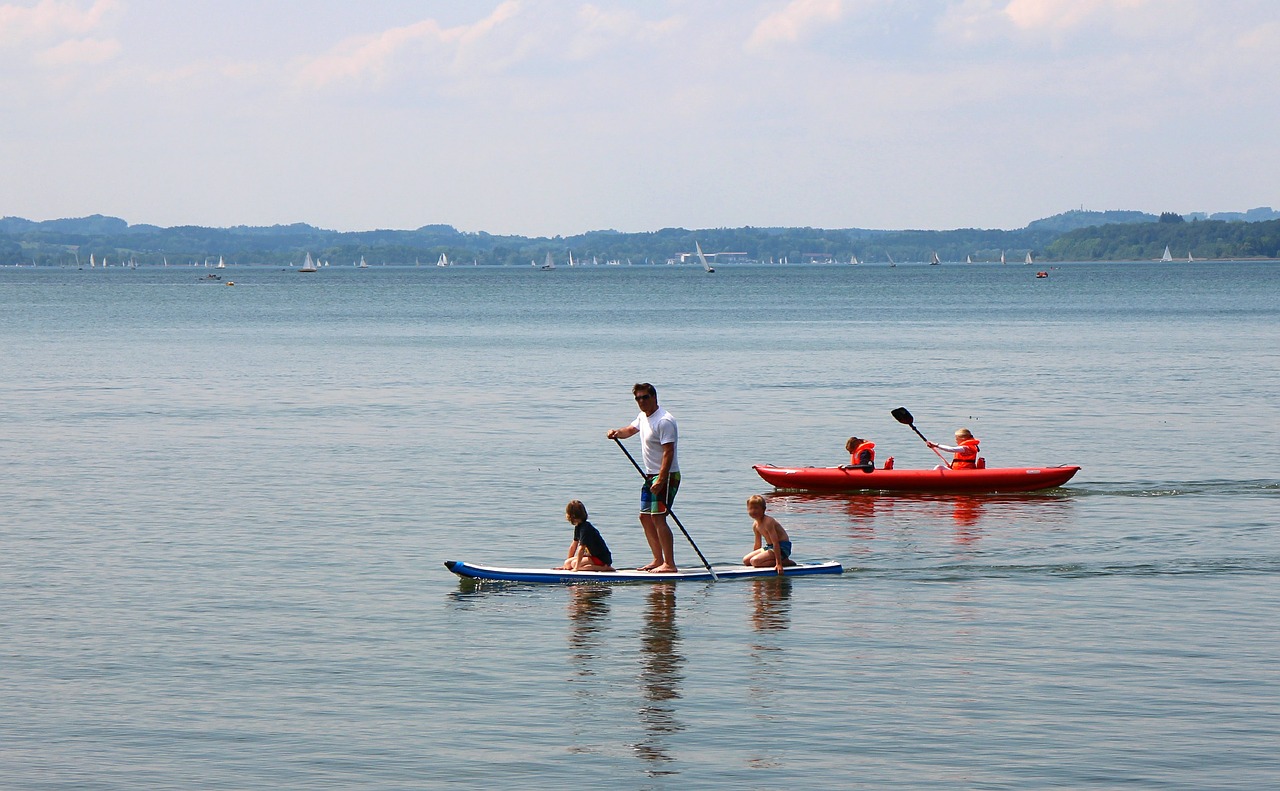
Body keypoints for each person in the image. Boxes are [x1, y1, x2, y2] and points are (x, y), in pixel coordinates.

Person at [606, 382, 679, 573]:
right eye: (637, 398)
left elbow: (668, 452)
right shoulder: (642, 417)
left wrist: (661, 479)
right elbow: (629, 430)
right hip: (649, 475)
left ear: (654, 397)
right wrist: (616, 433)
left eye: (645, 397)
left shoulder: (664, 421)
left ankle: (669, 564)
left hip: (667, 474)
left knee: (658, 517)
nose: (641, 401)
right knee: (645, 517)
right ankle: (657, 559)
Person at [554, 500, 614, 572]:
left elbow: (581, 549)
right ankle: (578, 566)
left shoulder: (585, 529)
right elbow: (573, 546)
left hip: (601, 558)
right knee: (567, 563)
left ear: (572, 516)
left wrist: (576, 568)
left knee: (574, 564)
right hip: (592, 557)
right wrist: (566, 567)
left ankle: (604, 568)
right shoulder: (578, 526)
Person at [742, 494, 794, 575]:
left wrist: (779, 564)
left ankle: (785, 562)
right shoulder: (755, 525)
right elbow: (757, 543)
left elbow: (776, 542)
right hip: (770, 547)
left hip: (781, 547)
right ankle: (767, 560)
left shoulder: (768, 522)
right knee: (746, 560)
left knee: (755, 561)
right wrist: (757, 557)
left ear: (763, 509)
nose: (753, 511)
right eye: (750, 508)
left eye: (756, 508)